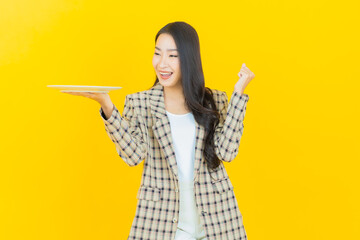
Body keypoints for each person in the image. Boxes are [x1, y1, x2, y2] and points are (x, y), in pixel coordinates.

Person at [64, 21, 255, 240]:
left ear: (189, 59)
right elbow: (134, 156)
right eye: (157, 53)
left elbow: (227, 152)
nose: (162, 63)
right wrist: (107, 105)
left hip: (216, 218)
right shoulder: (141, 103)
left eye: (173, 56)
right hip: (163, 222)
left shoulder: (215, 101)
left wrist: (239, 94)